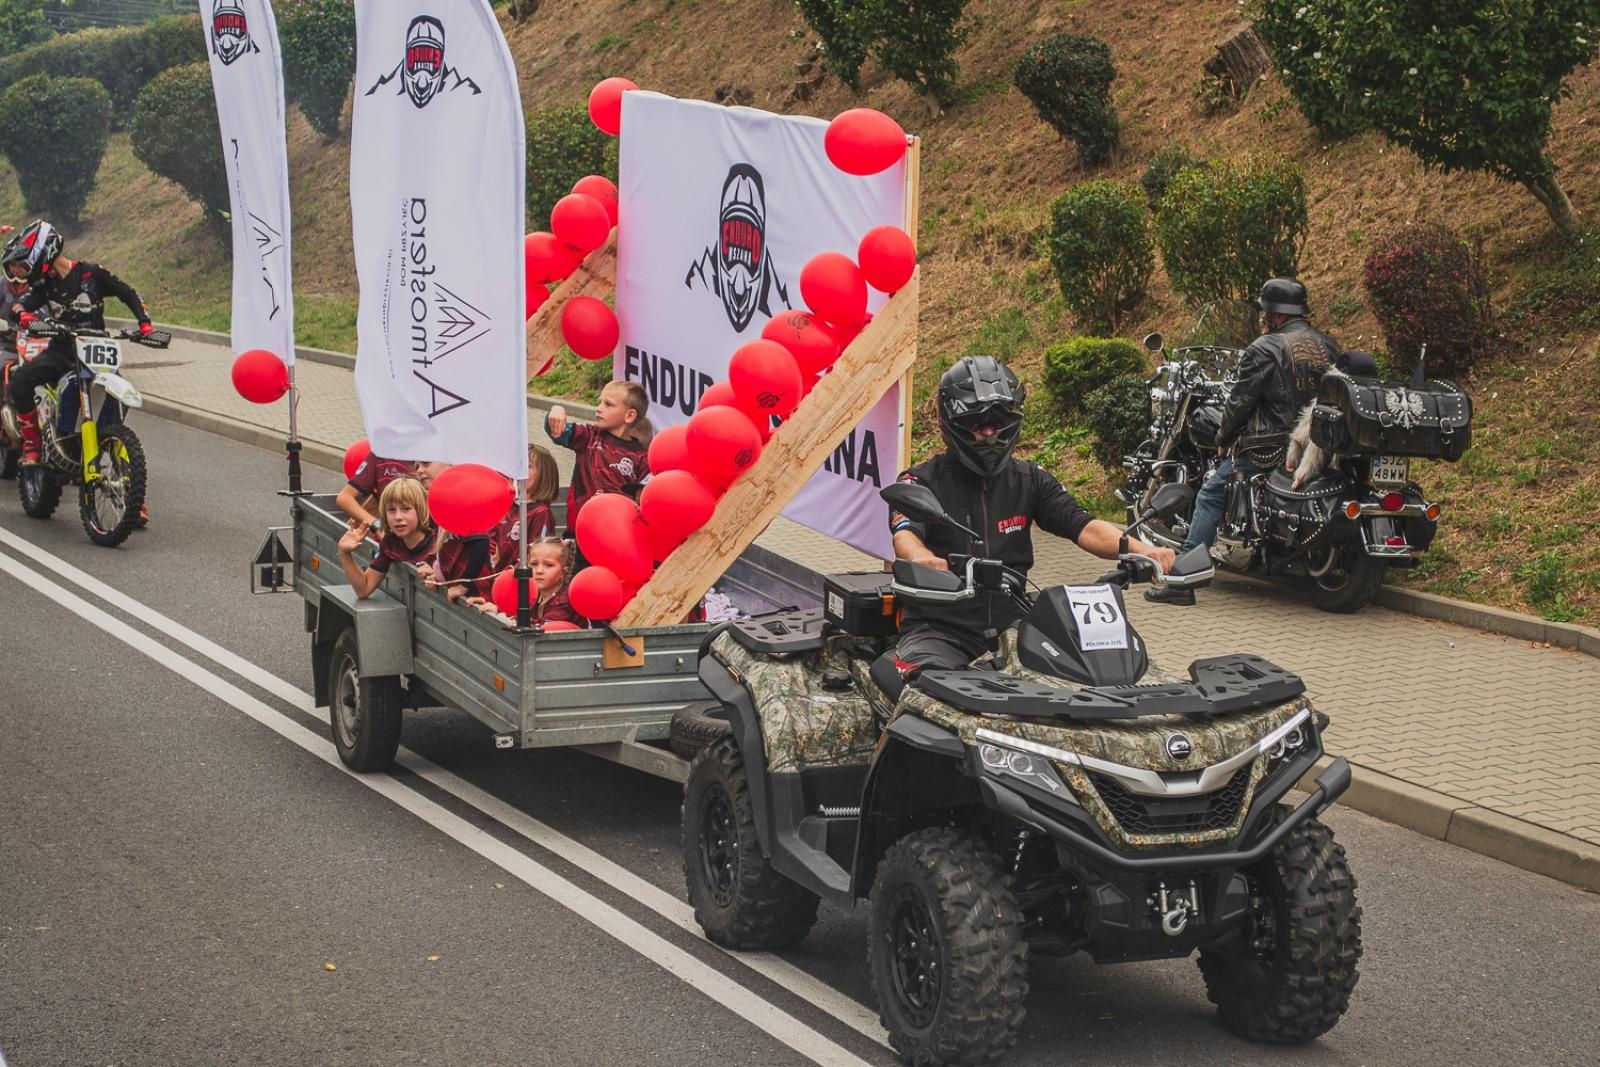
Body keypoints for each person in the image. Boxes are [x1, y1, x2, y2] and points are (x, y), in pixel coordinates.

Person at [889, 356, 1176, 671]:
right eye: (976, 424)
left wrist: (1143, 551)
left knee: (1079, 677)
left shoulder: (1030, 479)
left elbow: (1084, 525)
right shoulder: (921, 482)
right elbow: (906, 534)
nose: (988, 434)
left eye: (997, 423)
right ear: (950, 423)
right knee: (925, 686)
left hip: (1014, 624)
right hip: (941, 629)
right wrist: (921, 559)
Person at [1147, 277, 1341, 604]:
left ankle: (1181, 584)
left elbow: (1240, 401)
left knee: (1209, 493)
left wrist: (1224, 437)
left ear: (1275, 314)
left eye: (1266, 311)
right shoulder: (1329, 346)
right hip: (1317, 443)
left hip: (1270, 446)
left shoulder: (1265, 347)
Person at [5, 221, 153, 469]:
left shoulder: (91, 273)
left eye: (25, 264)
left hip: (98, 351)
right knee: (20, 381)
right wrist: (24, 316)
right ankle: (32, 444)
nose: (22, 272)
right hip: (62, 351)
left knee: (118, 403)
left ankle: (127, 482)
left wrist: (145, 324)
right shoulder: (44, 285)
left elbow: (127, 292)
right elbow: (18, 306)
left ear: (44, 253)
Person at [545, 380, 650, 534]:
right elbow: (558, 432)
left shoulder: (642, 457)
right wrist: (556, 410)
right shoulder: (589, 436)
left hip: (618, 534)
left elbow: (642, 501)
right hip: (579, 532)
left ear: (629, 415)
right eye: (599, 402)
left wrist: (610, 502)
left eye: (608, 404)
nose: (599, 409)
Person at [336, 476, 437, 599]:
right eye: (391, 510)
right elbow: (364, 589)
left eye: (406, 509)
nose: (398, 517)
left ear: (421, 510)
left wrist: (439, 575)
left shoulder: (439, 543)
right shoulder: (390, 542)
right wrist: (344, 553)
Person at [472, 536, 587, 629]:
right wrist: (496, 609)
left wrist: (502, 616)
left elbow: (539, 630)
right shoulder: (536, 594)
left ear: (564, 571)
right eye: (534, 564)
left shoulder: (565, 600)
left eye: (548, 565)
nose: (539, 571)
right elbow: (523, 616)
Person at [492, 443, 561, 572]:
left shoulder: (540, 513)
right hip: (497, 580)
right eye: (519, 465)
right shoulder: (509, 507)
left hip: (520, 583)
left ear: (543, 475)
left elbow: (536, 556)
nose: (520, 471)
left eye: (528, 466)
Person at [336, 452, 421, 535]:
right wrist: (376, 524)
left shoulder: (432, 457)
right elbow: (344, 498)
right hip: (391, 537)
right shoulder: (381, 452)